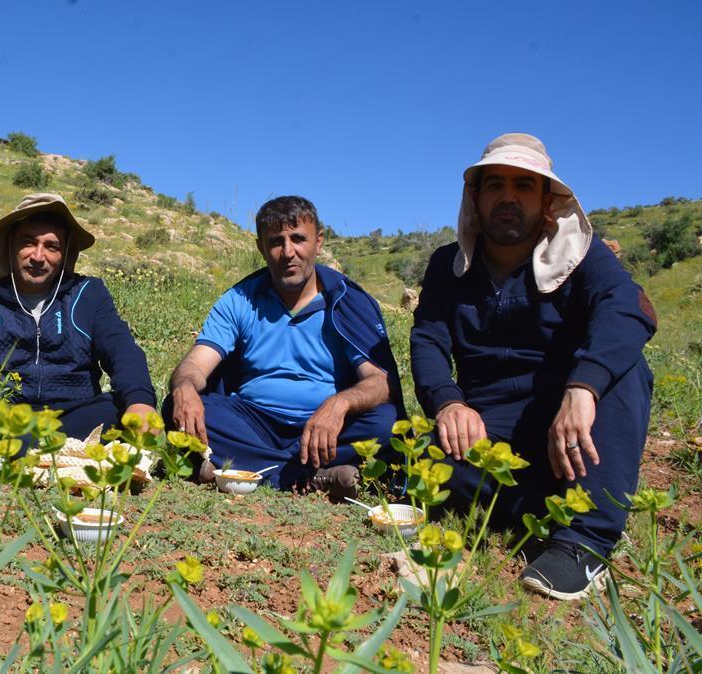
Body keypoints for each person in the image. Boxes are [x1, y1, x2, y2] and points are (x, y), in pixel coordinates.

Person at [411, 133, 656, 600]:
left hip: (563, 425)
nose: (508, 197)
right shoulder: (448, 265)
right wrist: (447, 404)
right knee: (418, 458)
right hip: (485, 432)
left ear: (547, 203)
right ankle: (534, 510)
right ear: (476, 198)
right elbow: (427, 338)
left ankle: (586, 541)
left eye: (524, 186)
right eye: (495, 185)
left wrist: (583, 387)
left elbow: (627, 308)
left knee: (626, 369)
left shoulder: (584, 257)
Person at [165, 196, 404, 498]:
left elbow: (381, 381)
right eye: (276, 241)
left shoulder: (344, 301)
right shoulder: (240, 299)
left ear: (319, 242)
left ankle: (239, 469)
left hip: (326, 426)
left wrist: (338, 404)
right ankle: (309, 477)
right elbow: (196, 365)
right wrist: (184, 388)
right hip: (253, 421)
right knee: (179, 406)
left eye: (298, 239)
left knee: (385, 422)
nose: (288, 252)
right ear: (260, 248)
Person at [0, 193, 157, 440]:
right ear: (10, 245)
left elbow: (121, 349)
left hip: (77, 415)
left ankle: (36, 449)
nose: (38, 256)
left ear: (65, 253)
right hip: (2, 417)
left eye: (51, 246)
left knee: (117, 409)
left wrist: (140, 402)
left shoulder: (88, 294)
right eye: (28, 242)